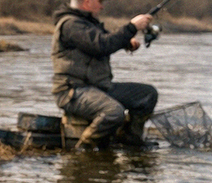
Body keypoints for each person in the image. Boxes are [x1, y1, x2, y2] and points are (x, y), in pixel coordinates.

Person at [51, 0, 159, 150]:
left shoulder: (88, 23)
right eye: (99, 2)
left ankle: (129, 138)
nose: (102, 6)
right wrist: (132, 27)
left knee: (147, 95)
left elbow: (108, 39)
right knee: (113, 112)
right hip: (73, 91)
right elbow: (101, 45)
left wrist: (127, 43)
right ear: (87, 3)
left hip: (100, 88)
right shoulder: (71, 24)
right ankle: (84, 149)